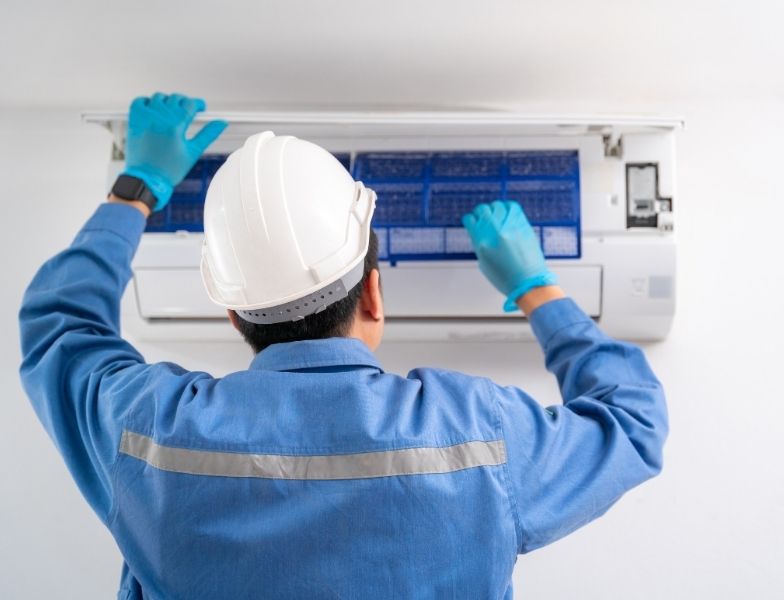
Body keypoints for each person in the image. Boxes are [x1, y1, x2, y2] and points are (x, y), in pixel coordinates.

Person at [19, 92, 669, 600]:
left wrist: (135, 188)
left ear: (234, 314)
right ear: (373, 297)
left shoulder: (147, 430)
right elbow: (635, 421)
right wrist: (535, 287)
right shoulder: (480, 435)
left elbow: (58, 325)